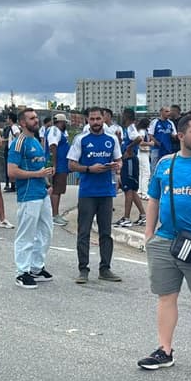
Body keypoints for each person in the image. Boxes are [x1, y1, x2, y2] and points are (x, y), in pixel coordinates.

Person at [138, 114, 191, 374]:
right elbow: (154, 199)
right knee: (165, 297)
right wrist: (149, 234)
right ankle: (164, 350)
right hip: (165, 241)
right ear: (181, 136)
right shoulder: (165, 163)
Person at [67, 107, 123, 284]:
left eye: (98, 119)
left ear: (104, 119)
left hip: (106, 191)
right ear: (87, 120)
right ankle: (83, 269)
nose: (96, 122)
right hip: (87, 192)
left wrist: (117, 166)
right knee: (83, 232)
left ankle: (105, 269)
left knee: (106, 232)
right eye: (92, 119)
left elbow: (119, 159)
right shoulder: (81, 139)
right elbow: (71, 165)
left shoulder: (111, 139)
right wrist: (89, 169)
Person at [7, 108, 54, 289]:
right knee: (26, 234)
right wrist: (37, 174)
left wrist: (46, 183)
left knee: (46, 231)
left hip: (41, 193)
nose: (36, 120)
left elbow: (40, 167)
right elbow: (11, 172)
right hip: (28, 195)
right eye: (32, 118)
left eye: (36, 118)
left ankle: (36, 267)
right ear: (23, 123)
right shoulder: (19, 143)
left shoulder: (36, 141)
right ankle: (22, 272)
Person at [115, 108, 146, 228]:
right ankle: (143, 215)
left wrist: (129, 148)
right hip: (128, 161)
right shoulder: (127, 129)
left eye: (123, 115)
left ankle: (126, 218)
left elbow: (138, 139)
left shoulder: (130, 128)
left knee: (128, 189)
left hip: (129, 161)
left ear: (126, 116)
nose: (121, 117)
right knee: (131, 190)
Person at [46, 112, 70, 225]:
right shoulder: (55, 131)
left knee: (58, 190)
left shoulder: (58, 131)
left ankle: (56, 214)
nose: (66, 125)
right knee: (56, 190)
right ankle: (54, 215)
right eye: (65, 123)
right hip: (58, 165)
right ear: (61, 122)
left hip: (62, 165)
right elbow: (53, 146)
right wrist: (54, 165)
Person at [2, 111, 19, 192]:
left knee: (10, 167)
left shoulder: (14, 127)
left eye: (8, 118)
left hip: (11, 150)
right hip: (11, 149)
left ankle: (13, 185)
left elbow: (18, 136)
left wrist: (14, 145)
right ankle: (12, 185)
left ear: (11, 119)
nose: (6, 119)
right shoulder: (12, 127)